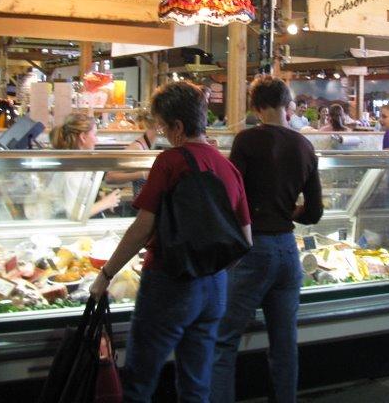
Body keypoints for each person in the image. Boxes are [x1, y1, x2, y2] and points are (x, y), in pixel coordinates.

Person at [89, 82, 252, 402]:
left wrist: (106, 274)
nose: (163, 133)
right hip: (214, 288)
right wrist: (210, 268)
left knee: (139, 382)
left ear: (178, 126)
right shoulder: (227, 167)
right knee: (196, 386)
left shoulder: (170, 161)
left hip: (169, 283)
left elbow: (142, 228)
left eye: (164, 126)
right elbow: (245, 240)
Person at [211, 76, 323, 403]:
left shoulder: (247, 141)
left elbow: (233, 197)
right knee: (285, 344)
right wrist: (287, 211)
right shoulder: (305, 146)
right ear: (287, 105)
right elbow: (314, 212)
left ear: (256, 107)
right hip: (288, 252)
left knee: (223, 341)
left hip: (252, 250)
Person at [49, 113, 121, 219]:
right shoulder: (73, 171)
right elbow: (74, 214)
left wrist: (97, 196)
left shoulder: (77, 162)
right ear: (83, 137)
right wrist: (106, 203)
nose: (96, 140)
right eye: (94, 135)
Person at [104, 108, 158, 199]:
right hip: (140, 203)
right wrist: (142, 174)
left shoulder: (151, 145)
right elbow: (110, 177)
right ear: (158, 125)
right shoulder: (137, 147)